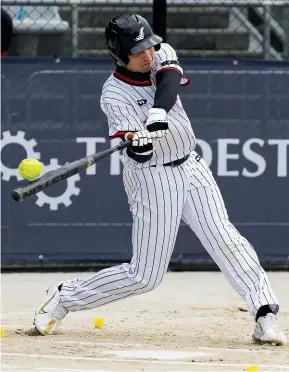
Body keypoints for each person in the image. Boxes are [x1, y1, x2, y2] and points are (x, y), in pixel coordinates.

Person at [33, 13, 287, 345]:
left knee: (225, 238)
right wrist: (143, 140)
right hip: (152, 177)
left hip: (190, 165)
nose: (148, 55)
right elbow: (137, 155)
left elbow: (168, 80)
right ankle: (64, 297)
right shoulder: (113, 95)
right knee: (145, 276)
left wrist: (158, 113)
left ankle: (264, 312)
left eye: (149, 47)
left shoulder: (159, 55)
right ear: (119, 53)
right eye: (138, 51)